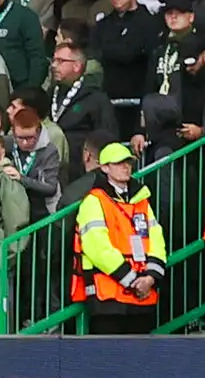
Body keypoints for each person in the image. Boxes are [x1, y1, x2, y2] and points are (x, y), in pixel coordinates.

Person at [70, 140, 166, 330]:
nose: (126, 167)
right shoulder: (94, 201)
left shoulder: (142, 201)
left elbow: (157, 240)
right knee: (109, 357)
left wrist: (150, 278)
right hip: (108, 299)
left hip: (142, 297)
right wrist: (133, 280)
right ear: (105, 167)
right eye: (119, 163)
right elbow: (97, 248)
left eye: (128, 162)